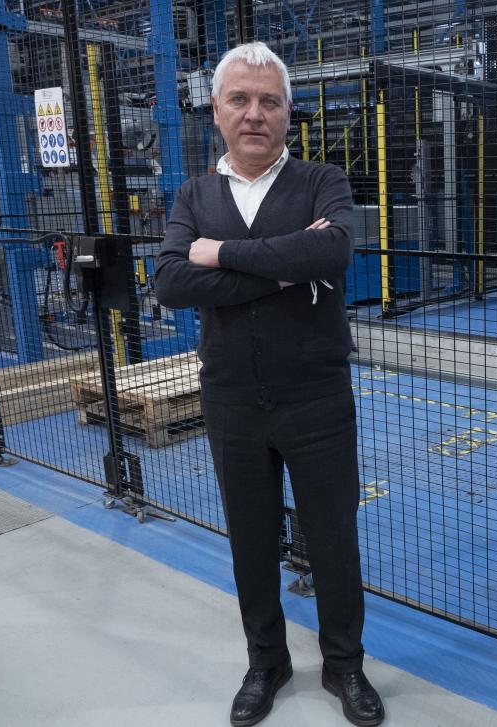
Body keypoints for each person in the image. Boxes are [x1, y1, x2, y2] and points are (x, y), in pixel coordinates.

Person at [155, 42, 384, 727]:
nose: (254, 113)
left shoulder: (321, 180)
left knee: (333, 538)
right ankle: (266, 661)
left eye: (269, 101)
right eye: (240, 100)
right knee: (250, 540)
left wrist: (221, 255)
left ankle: (345, 663)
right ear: (216, 111)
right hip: (231, 400)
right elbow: (171, 281)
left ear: (288, 113)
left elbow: (333, 249)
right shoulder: (194, 194)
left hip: (317, 396)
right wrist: (284, 270)